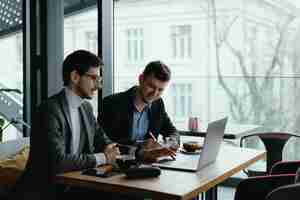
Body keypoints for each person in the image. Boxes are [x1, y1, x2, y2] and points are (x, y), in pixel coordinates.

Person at [12, 50, 120, 200]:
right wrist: (103, 157)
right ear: (75, 77)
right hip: (44, 191)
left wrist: (111, 148)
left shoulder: (86, 108)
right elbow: (58, 161)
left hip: (74, 186)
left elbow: (102, 139)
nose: (98, 86)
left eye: (99, 79)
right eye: (94, 78)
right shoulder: (49, 109)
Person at [99, 60, 179, 161]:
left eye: (160, 90)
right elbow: (106, 142)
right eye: (151, 86)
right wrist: (141, 144)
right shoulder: (111, 103)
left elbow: (172, 130)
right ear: (141, 79)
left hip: (147, 164)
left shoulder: (157, 104)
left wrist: (171, 141)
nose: (155, 94)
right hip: (118, 164)